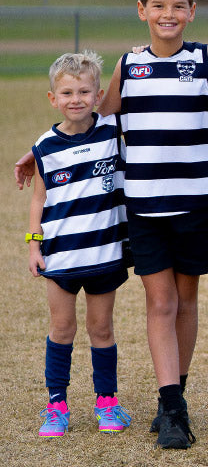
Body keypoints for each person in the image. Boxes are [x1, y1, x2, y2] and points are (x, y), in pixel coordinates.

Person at [105, 0, 208, 449]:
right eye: (158, 5)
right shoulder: (128, 66)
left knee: (185, 300)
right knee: (160, 302)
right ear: (142, 10)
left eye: (178, 5)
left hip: (196, 202)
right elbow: (97, 121)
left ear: (192, 11)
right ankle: (173, 407)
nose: (168, 13)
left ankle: (173, 395)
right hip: (144, 205)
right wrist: (41, 152)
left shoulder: (207, 57)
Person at [25, 51, 131, 438]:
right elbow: (38, 199)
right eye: (67, 93)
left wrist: (136, 55)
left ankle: (107, 402)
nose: (76, 99)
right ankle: (56, 405)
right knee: (62, 328)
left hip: (104, 253)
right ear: (53, 98)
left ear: (98, 95)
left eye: (85, 91)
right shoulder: (45, 146)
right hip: (60, 257)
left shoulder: (112, 131)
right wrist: (34, 245)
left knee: (101, 329)